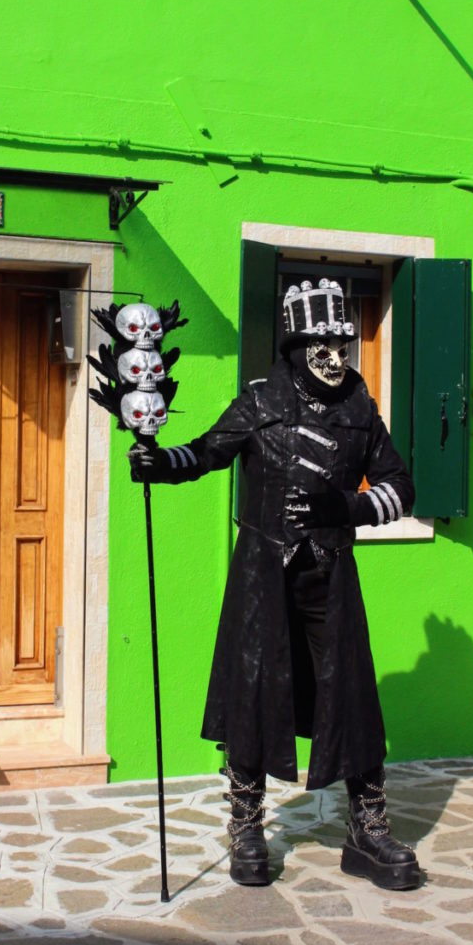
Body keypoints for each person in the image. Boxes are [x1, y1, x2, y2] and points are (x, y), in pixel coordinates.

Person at [128, 279, 421, 891]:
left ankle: (366, 830)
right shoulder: (259, 401)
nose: (336, 355)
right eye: (322, 344)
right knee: (252, 692)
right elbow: (206, 453)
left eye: (341, 342)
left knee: (355, 698)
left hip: (332, 578)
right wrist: (160, 462)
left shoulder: (361, 410)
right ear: (295, 346)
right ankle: (246, 826)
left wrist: (344, 507)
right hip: (262, 576)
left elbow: (400, 490)